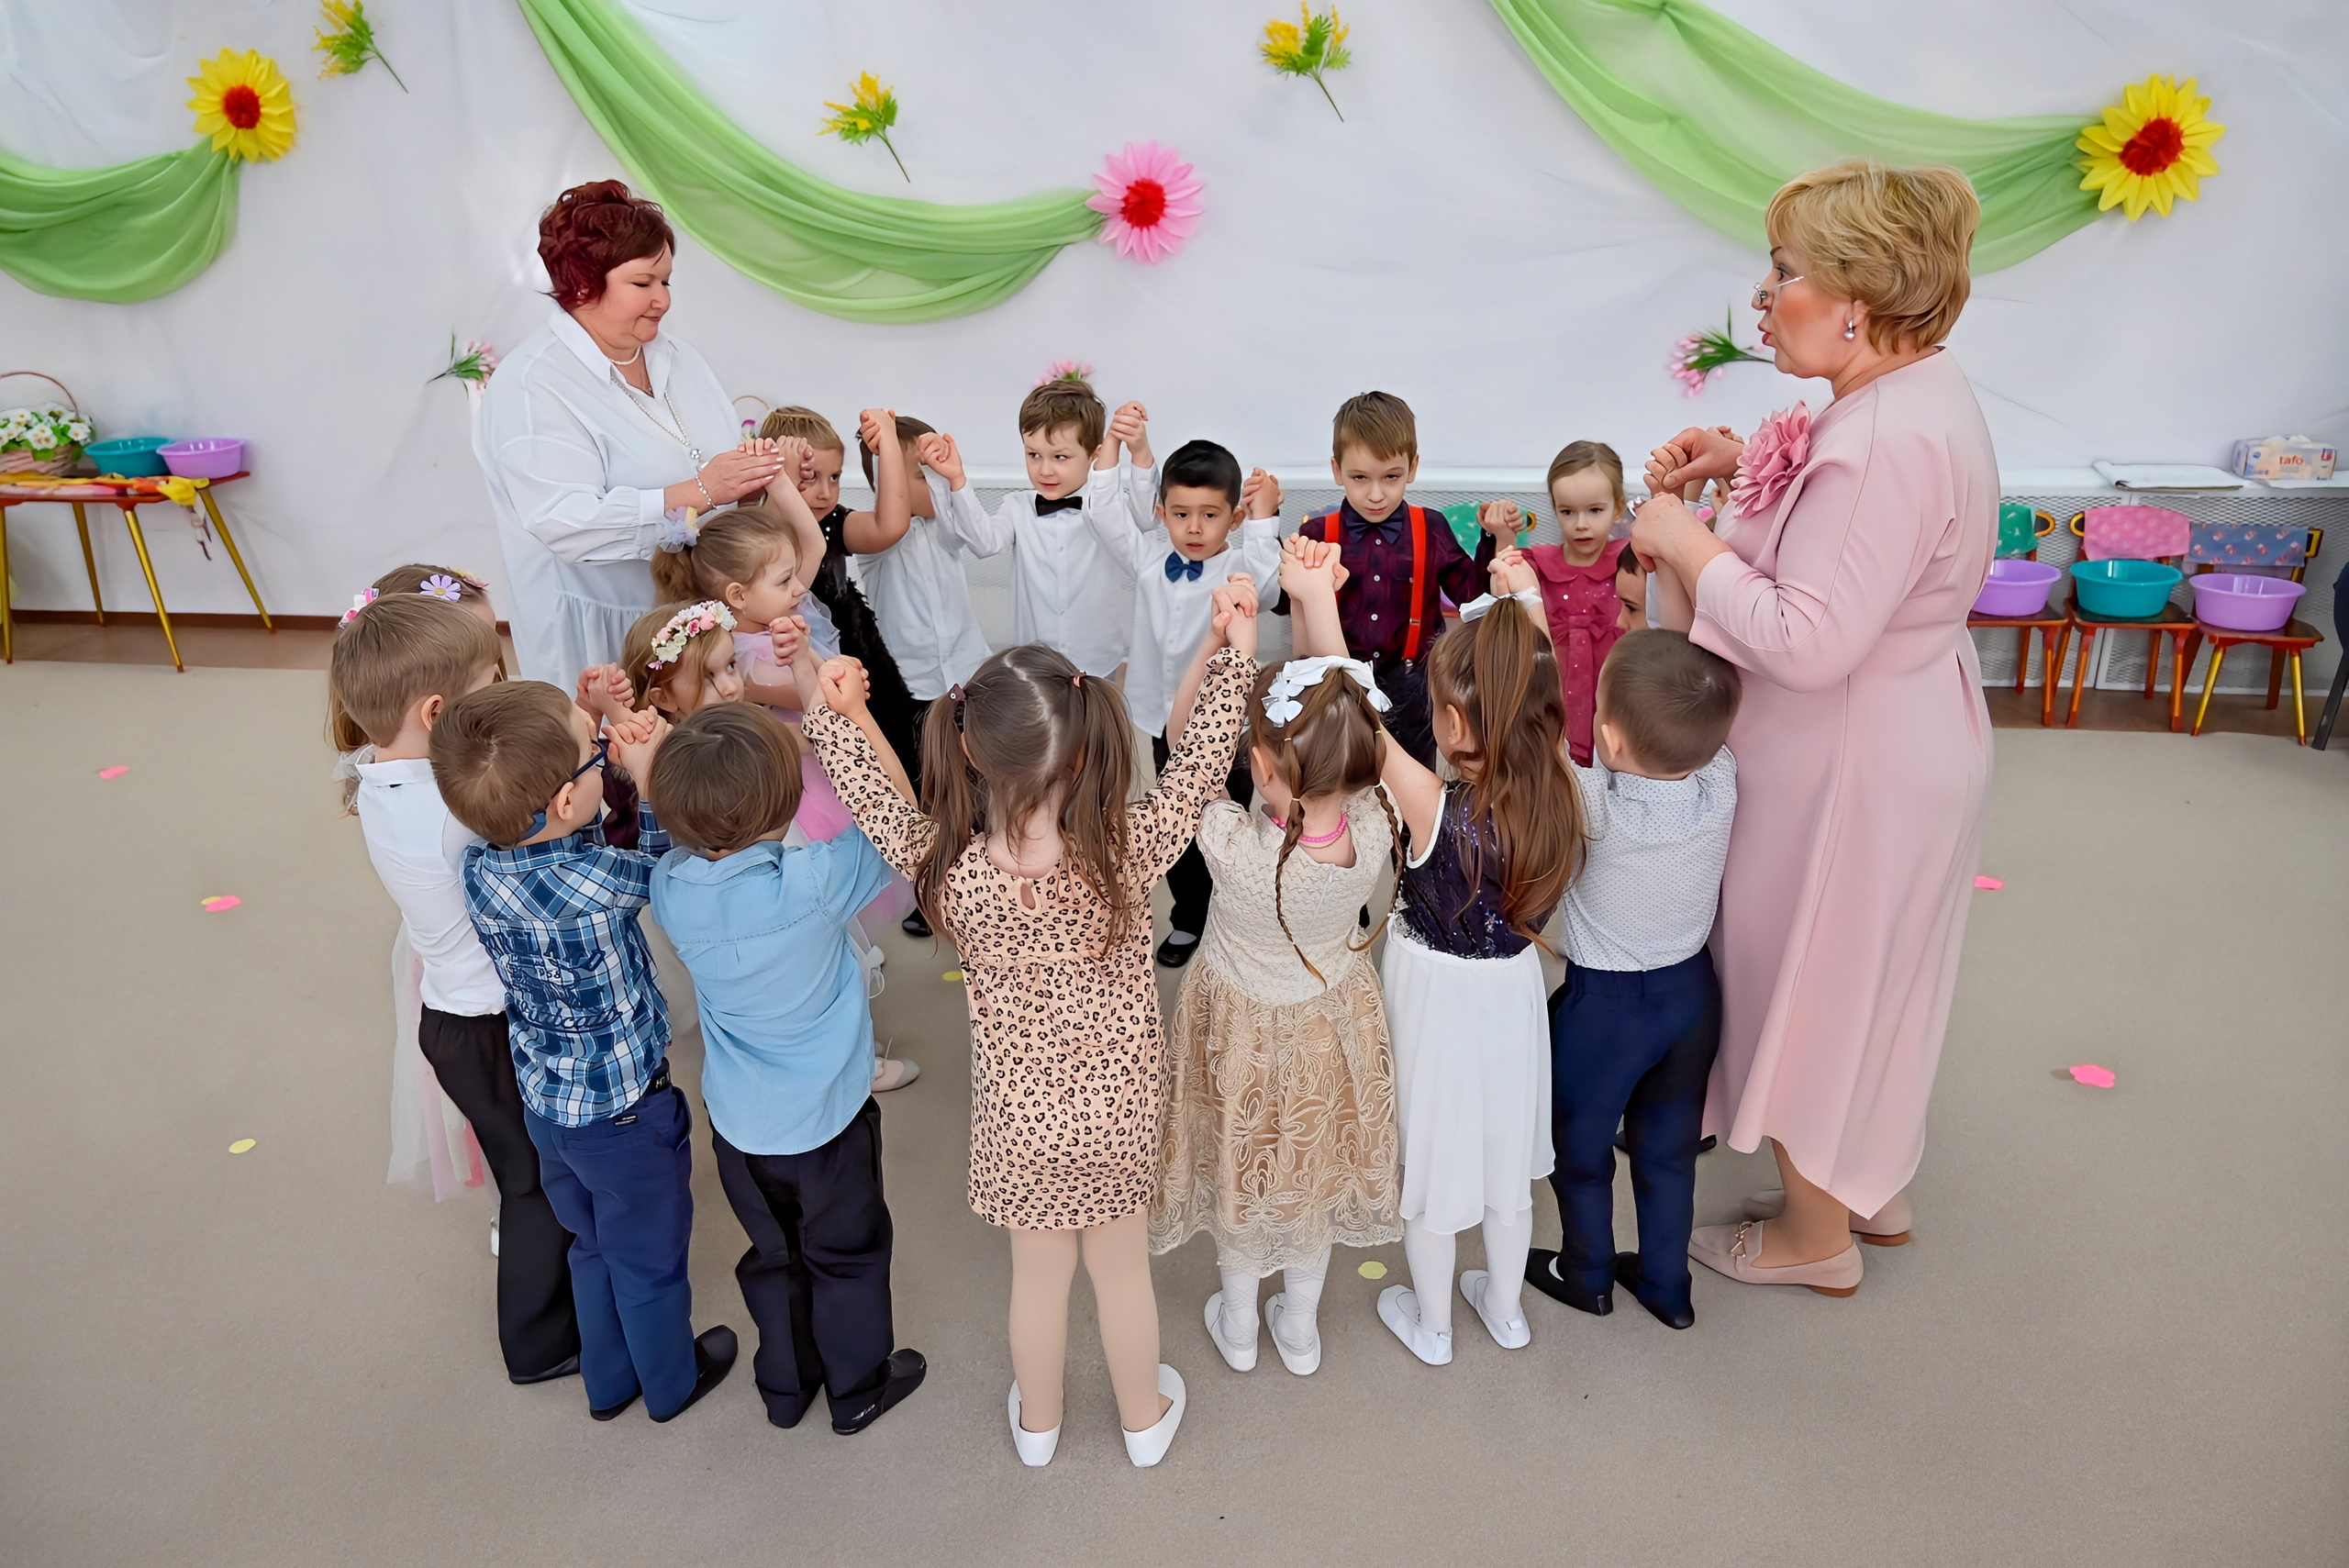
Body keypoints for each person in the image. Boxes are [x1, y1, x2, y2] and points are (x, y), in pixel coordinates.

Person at [1631, 159, 1997, 1293]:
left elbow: (1804, 636)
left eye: (1783, 270)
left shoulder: (1877, 437)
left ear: (1856, 298)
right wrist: (1754, 475)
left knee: (1817, 977)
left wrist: (1686, 544)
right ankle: (1865, 1182)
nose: (1762, 294)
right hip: (1904, 724)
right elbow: (1867, 549)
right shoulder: (1917, 397)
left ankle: (1813, 1234)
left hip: (1849, 759)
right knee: (1875, 973)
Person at [802, 591, 1261, 1469]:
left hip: (1021, 1119)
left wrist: (835, 717)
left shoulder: (948, 869)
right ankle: (1142, 1419)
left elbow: (881, 810)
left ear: (966, 745)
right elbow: (1201, 767)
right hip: (1122, 1106)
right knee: (1123, 1274)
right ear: (1087, 747)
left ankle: (1040, 1426)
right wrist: (1232, 652)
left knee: (1038, 1280)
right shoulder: (1128, 847)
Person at [1285, 539, 1579, 1365]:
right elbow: (1539, 680)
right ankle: (1508, 1311)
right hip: (1514, 991)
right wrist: (1529, 605)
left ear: (1450, 723)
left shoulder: (1433, 805)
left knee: (1434, 1165)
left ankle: (1436, 1324)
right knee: (1503, 1164)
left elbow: (1354, 709)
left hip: (1434, 997)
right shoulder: (1559, 782)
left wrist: (1313, 597)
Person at [432, 680, 738, 1423]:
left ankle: (608, 1381)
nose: (606, 753)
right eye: (595, 751)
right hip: (626, 1112)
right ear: (568, 803)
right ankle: (670, 1383)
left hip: (547, 1106)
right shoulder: (602, 878)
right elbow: (671, 863)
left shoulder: (479, 868)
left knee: (592, 1245)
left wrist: (607, 759)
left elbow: (566, 847)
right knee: (649, 1260)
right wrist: (650, 772)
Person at [646, 704, 928, 1435]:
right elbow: (897, 811)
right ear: (790, 800)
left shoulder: (671, 888)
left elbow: (675, 825)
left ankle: (786, 1381)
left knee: (774, 1254)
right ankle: (857, 1385)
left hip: (739, 1127)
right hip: (828, 1121)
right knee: (849, 1253)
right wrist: (857, 716)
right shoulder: (814, 881)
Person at [330, 591, 583, 1385]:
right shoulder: (453, 810)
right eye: (489, 686)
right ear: (439, 712)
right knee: (533, 1179)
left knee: (526, 1171)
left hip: (449, 1016)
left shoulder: (373, 776)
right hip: (492, 1024)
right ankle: (540, 1343)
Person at [1149, 652, 1403, 1377]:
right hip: (1328, 1026)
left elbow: (1181, 748)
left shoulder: (1232, 847)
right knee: (1305, 1173)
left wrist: (1212, 645)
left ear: (1258, 764)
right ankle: (1298, 1330)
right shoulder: (1376, 826)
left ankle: (1236, 1324)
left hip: (1240, 1031)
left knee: (1242, 1166)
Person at [473, 180, 786, 684]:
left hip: (700, 624)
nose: (662, 300)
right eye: (643, 284)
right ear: (582, 286)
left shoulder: (680, 360)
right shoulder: (534, 386)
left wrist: (764, 477)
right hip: (600, 632)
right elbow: (565, 521)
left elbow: (722, 472)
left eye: (666, 282)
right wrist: (701, 491)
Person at [1518, 626, 1742, 1329]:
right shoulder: (1722, 782)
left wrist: (1525, 605)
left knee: (1578, 1145)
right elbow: (1696, 714)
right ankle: (1666, 1283)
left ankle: (1586, 1271)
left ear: (1609, 741)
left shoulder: (1598, 806)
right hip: (1691, 999)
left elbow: (1541, 746)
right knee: (1669, 1148)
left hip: (1604, 1007)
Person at [618, 596, 918, 1093]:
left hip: (746, 877)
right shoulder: (669, 755)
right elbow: (889, 805)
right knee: (804, 964)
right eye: (712, 678)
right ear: (664, 697)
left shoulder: (719, 735)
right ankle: (854, 1065)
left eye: (732, 665)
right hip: (757, 879)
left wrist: (805, 665)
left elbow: (816, 735)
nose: (733, 684)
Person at [1272, 391, 1505, 767]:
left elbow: (1471, 597)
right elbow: (1285, 605)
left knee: (1415, 783)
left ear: (1412, 467)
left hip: (1415, 688)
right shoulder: (1317, 531)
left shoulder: (1431, 527)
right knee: (1346, 781)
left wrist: (1492, 539)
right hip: (1337, 685)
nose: (1376, 494)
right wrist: (1277, 547)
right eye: (1360, 478)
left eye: (1391, 477)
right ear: (1336, 470)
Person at [1124, 439, 1285, 967]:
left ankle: (1232, 914)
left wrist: (1264, 519)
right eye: (1181, 514)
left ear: (1233, 517)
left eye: (1210, 515)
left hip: (1226, 730)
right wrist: (1129, 448)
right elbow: (1105, 516)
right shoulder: (1148, 556)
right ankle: (1189, 916)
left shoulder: (1242, 567)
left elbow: (1266, 583)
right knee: (1172, 824)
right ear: (1160, 511)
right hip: (1160, 718)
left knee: (1226, 821)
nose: (1194, 528)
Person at [760, 406, 929, 788]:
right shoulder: (760, 524)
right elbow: (763, 540)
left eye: (834, 477)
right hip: (799, 662)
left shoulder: (833, 522)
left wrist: (886, 445)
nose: (824, 492)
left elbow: (891, 526)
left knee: (894, 742)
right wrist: (780, 481)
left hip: (857, 651)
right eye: (807, 478)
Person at [1478, 441, 1632, 764]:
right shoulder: (1540, 564)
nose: (1580, 524)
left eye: (1595, 510)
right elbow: (1505, 591)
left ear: (1617, 509)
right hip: (1552, 699)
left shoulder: (1630, 560)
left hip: (1616, 702)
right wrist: (1504, 536)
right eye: (1567, 511)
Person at [990, 378, 1156, 678]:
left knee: (1097, 726)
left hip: (1098, 661)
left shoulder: (1109, 506)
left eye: (1060, 457)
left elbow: (1147, 518)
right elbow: (984, 541)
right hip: (1034, 664)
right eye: (1033, 455)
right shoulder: (1016, 507)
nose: (1045, 470)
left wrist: (1140, 453)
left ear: (1095, 454)